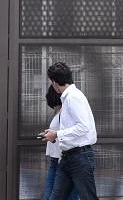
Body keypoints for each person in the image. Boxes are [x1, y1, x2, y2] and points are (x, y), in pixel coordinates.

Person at [44, 62, 98, 200]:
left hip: (79, 158)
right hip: (68, 157)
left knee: (88, 197)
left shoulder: (73, 97)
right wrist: (56, 135)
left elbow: (83, 127)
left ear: (55, 82)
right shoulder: (69, 97)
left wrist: (57, 134)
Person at [43, 87, 79, 200]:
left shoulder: (64, 112)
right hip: (57, 160)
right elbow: (60, 133)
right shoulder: (59, 113)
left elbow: (70, 134)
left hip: (62, 160)